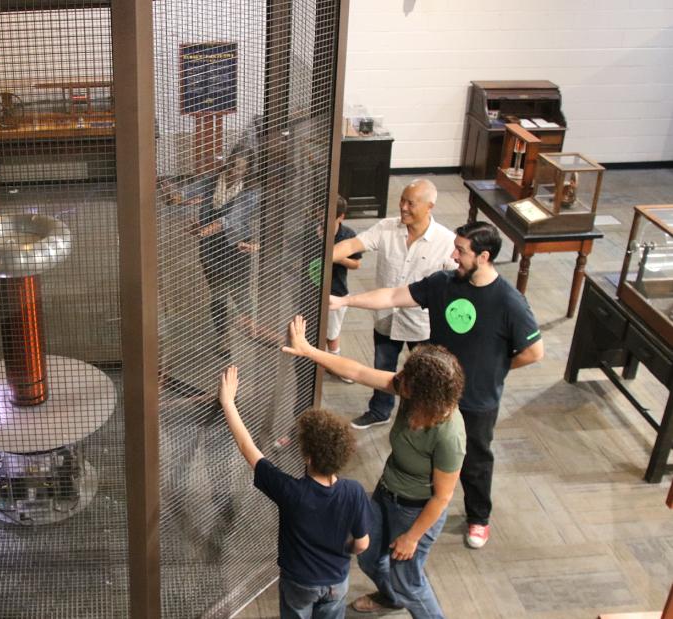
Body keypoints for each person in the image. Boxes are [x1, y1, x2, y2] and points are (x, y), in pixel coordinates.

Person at [330, 221, 545, 550]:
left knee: (474, 460)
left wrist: (497, 369)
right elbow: (392, 296)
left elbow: (534, 351)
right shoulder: (443, 283)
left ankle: (478, 517)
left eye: (461, 251)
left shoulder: (509, 301)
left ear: (484, 257)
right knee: (413, 448)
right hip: (430, 394)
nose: (453, 255)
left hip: (476, 401)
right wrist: (345, 302)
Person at [282, 316, 465, 619]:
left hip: (417, 512)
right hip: (386, 494)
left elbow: (442, 497)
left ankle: (403, 596)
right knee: (367, 557)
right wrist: (308, 350)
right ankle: (390, 596)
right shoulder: (410, 393)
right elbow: (358, 371)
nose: (399, 379)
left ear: (427, 393)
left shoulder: (449, 434)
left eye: (407, 378)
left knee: (410, 585)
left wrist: (412, 537)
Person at [218, 365, 371, 619]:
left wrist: (228, 403)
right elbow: (362, 544)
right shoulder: (353, 492)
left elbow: (248, 448)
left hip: (299, 581)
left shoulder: (290, 492)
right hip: (336, 580)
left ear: (307, 456)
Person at [330, 179, 456, 429]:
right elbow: (352, 245)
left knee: (426, 375)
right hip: (386, 317)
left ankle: (425, 417)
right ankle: (380, 410)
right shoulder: (386, 228)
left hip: (422, 325)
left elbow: (455, 287)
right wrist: (325, 255)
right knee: (382, 365)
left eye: (411, 203)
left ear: (430, 206)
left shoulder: (446, 242)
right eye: (402, 200)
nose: (403, 207)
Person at [189, 146, 260, 352]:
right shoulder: (212, 181)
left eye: (239, 169)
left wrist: (204, 230)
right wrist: (169, 190)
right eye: (231, 167)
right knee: (218, 293)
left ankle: (252, 328)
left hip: (237, 248)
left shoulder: (250, 190)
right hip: (211, 249)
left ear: (247, 171)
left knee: (240, 292)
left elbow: (230, 220)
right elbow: (185, 195)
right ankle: (223, 337)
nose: (233, 173)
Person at [327, 196, 363, 384]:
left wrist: (335, 255)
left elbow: (356, 263)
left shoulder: (348, 235)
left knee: (332, 334)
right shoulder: (312, 230)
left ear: (341, 217)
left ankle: (337, 366)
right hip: (312, 289)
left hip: (337, 292)